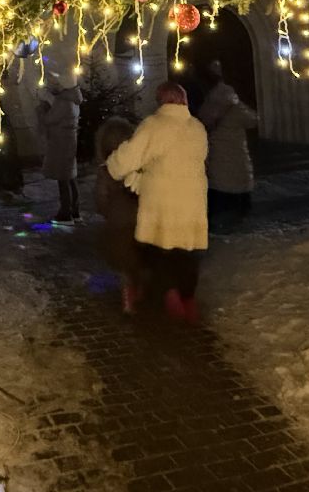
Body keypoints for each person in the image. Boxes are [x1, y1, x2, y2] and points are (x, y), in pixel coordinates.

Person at [104, 82, 209, 323]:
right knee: (187, 252)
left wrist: (113, 165)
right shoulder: (197, 127)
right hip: (192, 200)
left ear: (161, 100)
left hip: (163, 201)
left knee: (159, 250)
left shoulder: (154, 125)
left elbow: (129, 157)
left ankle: (170, 294)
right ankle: (188, 299)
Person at [197, 62, 258, 227]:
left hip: (217, 155)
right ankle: (239, 216)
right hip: (237, 154)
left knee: (219, 185)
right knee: (237, 184)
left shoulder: (208, 106)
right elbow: (253, 119)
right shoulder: (235, 107)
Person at [93, 116, 143, 312]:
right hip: (139, 222)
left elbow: (101, 198)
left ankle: (129, 296)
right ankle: (140, 288)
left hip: (118, 226)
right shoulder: (138, 168)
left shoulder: (106, 172)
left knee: (125, 265)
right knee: (138, 259)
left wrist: (107, 212)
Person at [40, 78, 84, 222]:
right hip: (69, 140)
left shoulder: (63, 101)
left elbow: (49, 119)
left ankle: (65, 213)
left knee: (63, 178)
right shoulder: (74, 100)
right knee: (70, 176)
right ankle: (75, 210)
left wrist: (44, 108)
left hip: (61, 142)